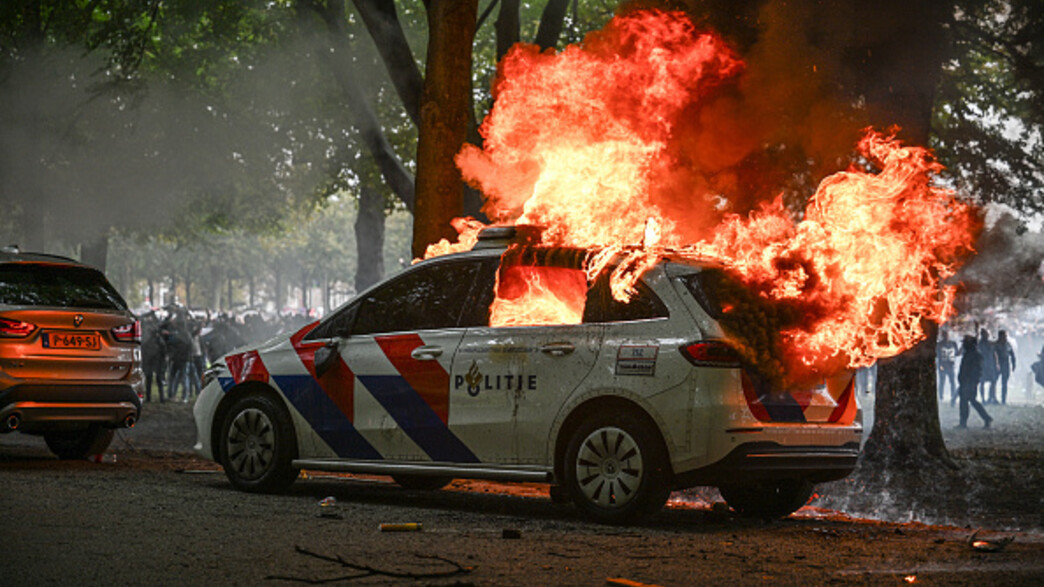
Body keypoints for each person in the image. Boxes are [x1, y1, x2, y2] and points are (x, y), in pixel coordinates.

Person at [958, 335, 993, 429]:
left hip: (970, 382)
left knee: (969, 401)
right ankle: (964, 422)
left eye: (965, 342)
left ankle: (986, 418)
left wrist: (973, 382)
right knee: (966, 401)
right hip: (965, 381)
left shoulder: (976, 355)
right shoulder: (969, 353)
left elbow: (977, 371)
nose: (964, 344)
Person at [140, 312, 167, 403]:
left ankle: (151, 397)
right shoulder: (156, 339)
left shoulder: (149, 339)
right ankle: (159, 397)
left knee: (151, 379)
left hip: (153, 360)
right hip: (154, 360)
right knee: (153, 378)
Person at [993, 330, 1016, 405]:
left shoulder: (1008, 344)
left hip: (1006, 364)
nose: (1005, 338)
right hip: (997, 364)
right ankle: (993, 398)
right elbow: (993, 354)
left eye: (1006, 336)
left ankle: (1003, 399)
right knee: (994, 381)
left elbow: (1012, 354)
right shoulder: (996, 345)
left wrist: (1013, 364)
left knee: (1004, 383)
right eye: (1004, 336)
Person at [937, 330, 958, 403]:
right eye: (945, 335)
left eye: (947, 335)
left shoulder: (953, 343)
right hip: (943, 365)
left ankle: (953, 395)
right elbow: (938, 355)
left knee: (952, 381)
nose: (946, 336)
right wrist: (940, 366)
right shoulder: (939, 344)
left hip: (951, 365)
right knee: (942, 381)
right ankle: (941, 396)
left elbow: (957, 353)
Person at [978, 328, 998, 404]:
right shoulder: (980, 344)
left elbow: (994, 353)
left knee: (993, 381)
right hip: (983, 365)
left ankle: (992, 397)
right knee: (982, 382)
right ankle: (983, 399)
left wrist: (996, 363)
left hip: (990, 365)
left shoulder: (990, 343)